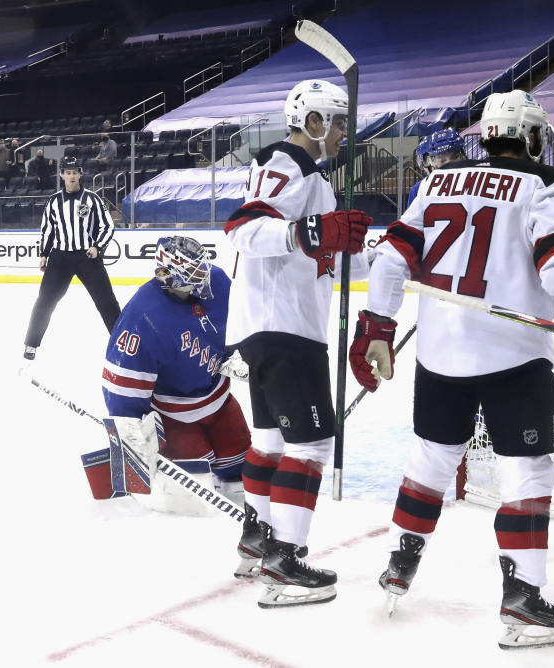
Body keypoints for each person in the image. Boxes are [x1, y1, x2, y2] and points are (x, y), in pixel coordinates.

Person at [349, 89, 554, 649]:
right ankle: (523, 601)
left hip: (439, 357)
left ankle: (401, 560)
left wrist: (376, 327)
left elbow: (392, 259)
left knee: (431, 457)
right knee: (527, 474)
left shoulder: (436, 181)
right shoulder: (546, 183)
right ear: (533, 135)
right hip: (514, 356)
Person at [222, 78, 372, 607]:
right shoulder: (288, 165)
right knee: (310, 445)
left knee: (270, 443)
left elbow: (323, 245)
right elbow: (243, 229)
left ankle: (257, 540)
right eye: (338, 122)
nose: (343, 133)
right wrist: (312, 232)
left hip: (270, 325)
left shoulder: (306, 174)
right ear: (314, 122)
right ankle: (285, 561)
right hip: (285, 326)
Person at [102, 235, 250, 505]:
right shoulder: (144, 314)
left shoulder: (217, 282)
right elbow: (122, 386)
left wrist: (239, 351)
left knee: (239, 462)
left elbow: (243, 319)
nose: (205, 274)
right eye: (194, 271)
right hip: (173, 413)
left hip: (218, 399)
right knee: (195, 480)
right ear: (169, 276)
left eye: (202, 266)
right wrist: (132, 438)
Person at [22, 155, 121, 363]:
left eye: (75, 172)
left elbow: (107, 226)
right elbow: (47, 231)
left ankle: (121, 340)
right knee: (45, 301)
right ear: (62, 175)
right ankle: (31, 343)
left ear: (80, 174)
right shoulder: (53, 201)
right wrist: (44, 254)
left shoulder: (93, 199)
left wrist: (97, 247)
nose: (72, 176)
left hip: (87, 256)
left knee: (106, 300)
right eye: (68, 172)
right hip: (60, 258)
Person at [407, 128, 466, 207]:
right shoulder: (419, 189)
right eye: (442, 160)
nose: (450, 164)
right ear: (427, 163)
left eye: (455, 157)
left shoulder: (473, 181)